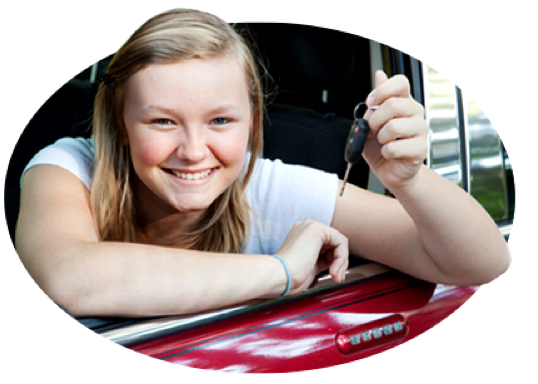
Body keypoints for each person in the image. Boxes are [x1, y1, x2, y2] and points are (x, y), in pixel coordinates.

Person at [15, 9, 510, 319]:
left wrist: (409, 180)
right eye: (163, 122)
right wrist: (281, 271)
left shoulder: (267, 188)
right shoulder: (67, 167)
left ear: (253, 121)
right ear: (120, 123)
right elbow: (72, 278)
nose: (193, 150)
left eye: (221, 121)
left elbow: (484, 263)